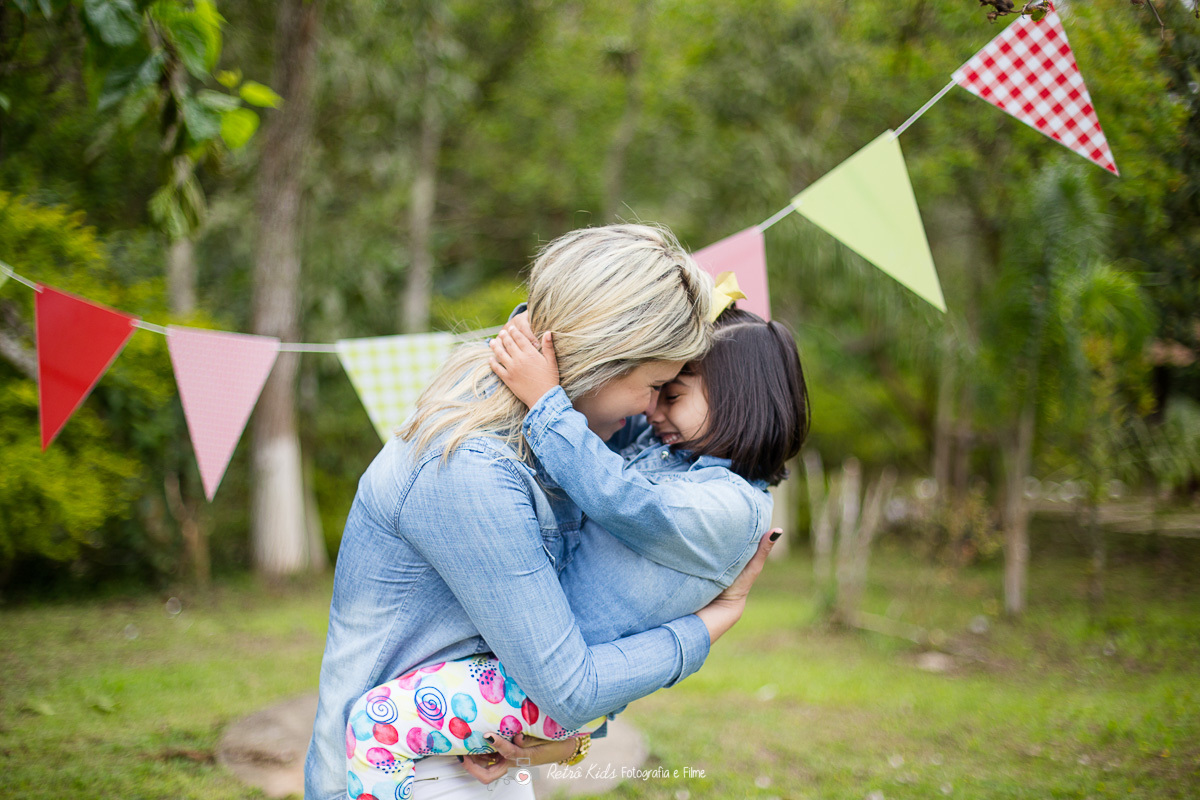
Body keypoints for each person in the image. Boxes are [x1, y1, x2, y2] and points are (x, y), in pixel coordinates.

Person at [305, 224, 777, 800]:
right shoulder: (469, 467)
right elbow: (571, 688)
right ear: (602, 361)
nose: (653, 413)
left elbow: (583, 623)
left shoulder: (571, 439)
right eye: (657, 385)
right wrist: (713, 621)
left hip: (473, 754)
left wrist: (562, 741)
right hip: (395, 769)